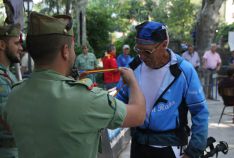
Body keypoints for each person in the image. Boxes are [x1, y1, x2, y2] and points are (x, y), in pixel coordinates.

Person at [4, 12, 146, 158]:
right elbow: (139, 115)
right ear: (65, 51)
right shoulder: (87, 99)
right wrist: (133, 81)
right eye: (72, 47)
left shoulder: (15, 94)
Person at [116, 21, 209, 158]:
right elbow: (119, 100)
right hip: (138, 144)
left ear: (164, 44)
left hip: (170, 147)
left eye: (147, 51)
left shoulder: (184, 71)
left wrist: (193, 151)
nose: (141, 56)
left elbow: (200, 112)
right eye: (138, 50)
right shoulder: (134, 67)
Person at [0, 23, 22, 158]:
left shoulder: (8, 74)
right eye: (16, 43)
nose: (20, 48)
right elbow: (9, 121)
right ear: (2, 45)